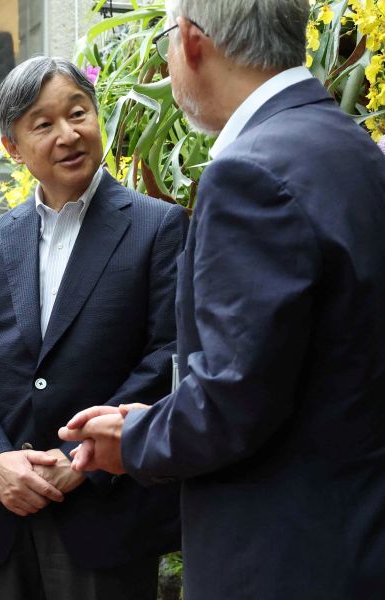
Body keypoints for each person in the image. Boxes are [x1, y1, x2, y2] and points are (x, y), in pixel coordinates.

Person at [59, 1, 385, 598]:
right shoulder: (355, 147)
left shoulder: (250, 173)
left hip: (280, 557)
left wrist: (133, 441)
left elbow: (234, 401)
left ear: (190, 40)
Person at [0, 56, 187, 600]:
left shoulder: (157, 225)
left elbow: (167, 353)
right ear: (13, 147)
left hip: (104, 509)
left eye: (78, 113)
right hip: (3, 509)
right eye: (43, 124)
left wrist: (88, 457)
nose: (68, 134)